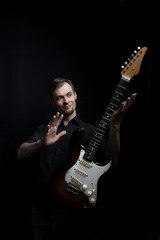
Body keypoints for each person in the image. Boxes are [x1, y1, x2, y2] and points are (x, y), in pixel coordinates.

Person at [17, 77, 137, 240]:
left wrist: (115, 127)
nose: (66, 101)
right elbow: (21, 153)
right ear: (53, 102)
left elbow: (112, 159)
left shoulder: (90, 131)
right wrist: (41, 143)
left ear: (75, 95)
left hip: (74, 211)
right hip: (42, 209)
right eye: (60, 97)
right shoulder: (46, 129)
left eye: (68, 95)